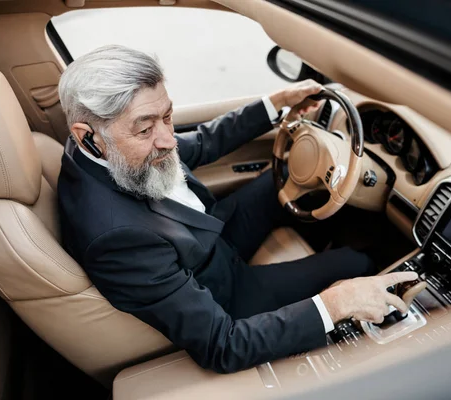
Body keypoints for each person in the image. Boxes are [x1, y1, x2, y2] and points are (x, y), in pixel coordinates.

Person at [57, 45, 417, 373]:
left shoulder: (98, 148)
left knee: (286, 176)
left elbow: (198, 144)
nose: (167, 140)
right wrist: (336, 304)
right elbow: (222, 345)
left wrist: (275, 104)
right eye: (145, 129)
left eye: (167, 117)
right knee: (356, 264)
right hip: (226, 290)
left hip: (207, 234)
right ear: (87, 135)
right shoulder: (116, 239)